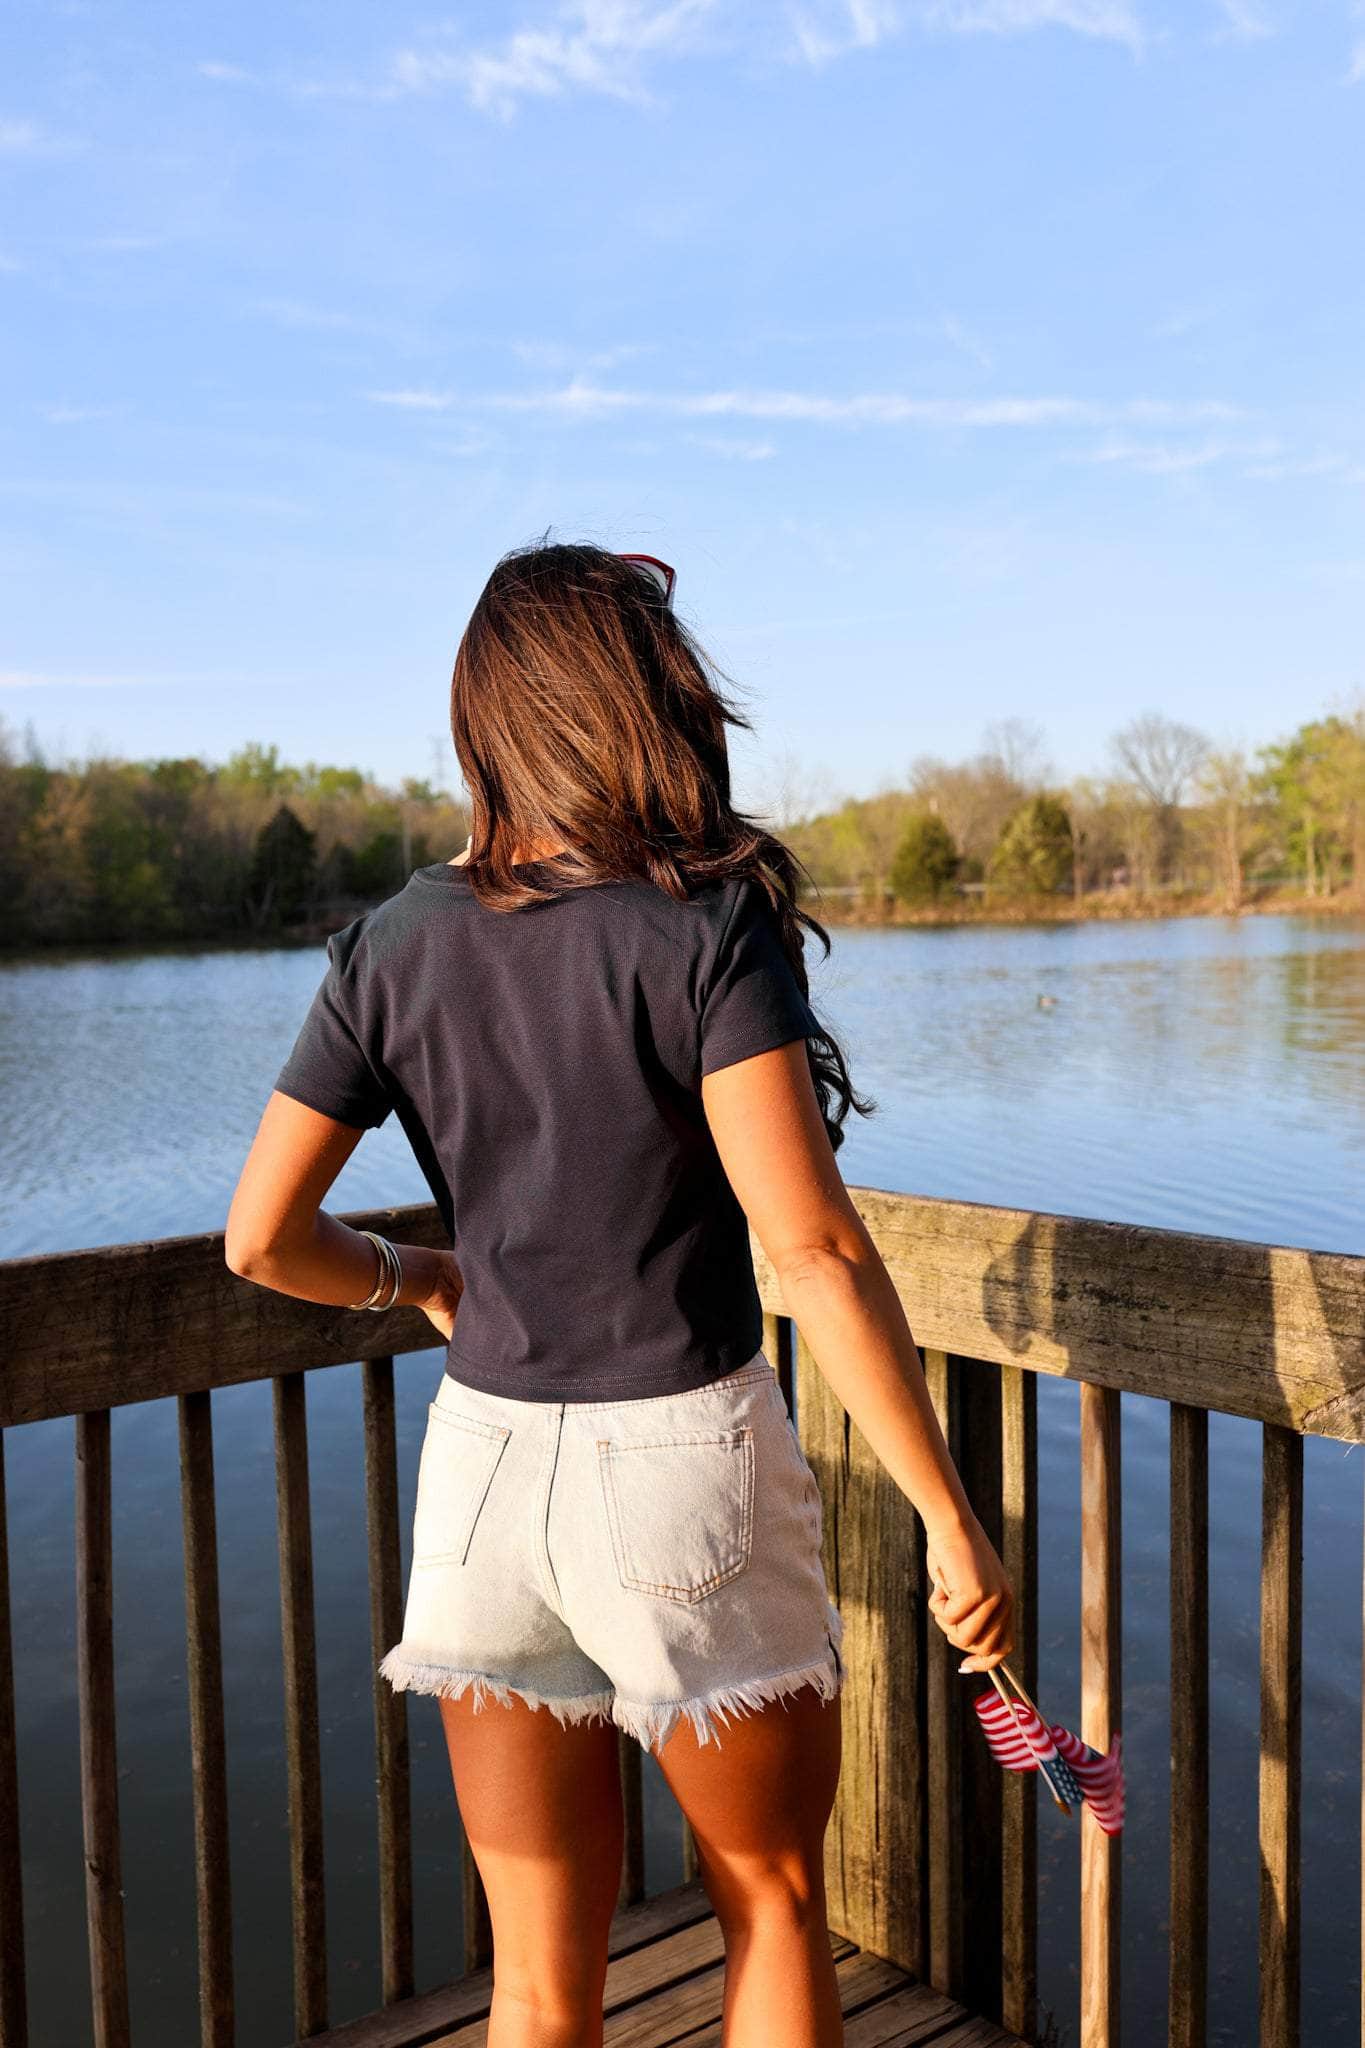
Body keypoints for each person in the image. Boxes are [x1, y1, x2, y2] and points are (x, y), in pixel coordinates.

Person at [225, 538, 1014, 2048]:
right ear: (644, 706)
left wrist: (419, 1274)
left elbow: (260, 1242)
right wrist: (946, 1515)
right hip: (678, 1465)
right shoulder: (698, 927)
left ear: (485, 721)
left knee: (532, 1979)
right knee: (772, 1905)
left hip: (481, 1474)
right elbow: (812, 1254)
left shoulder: (390, 945)